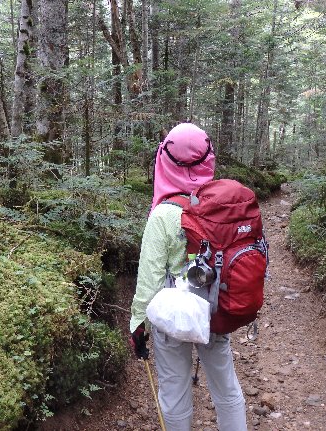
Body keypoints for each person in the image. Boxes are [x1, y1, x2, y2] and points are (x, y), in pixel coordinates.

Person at [129, 122, 247, 431]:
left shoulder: (163, 215)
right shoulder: (220, 205)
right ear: (209, 159)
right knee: (226, 386)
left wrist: (138, 323)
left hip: (172, 313)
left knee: (174, 390)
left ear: (164, 160)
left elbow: (150, 278)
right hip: (212, 307)